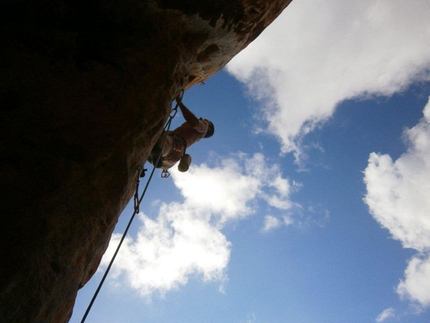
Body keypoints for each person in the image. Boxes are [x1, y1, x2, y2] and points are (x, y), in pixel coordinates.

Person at [148, 101, 214, 173]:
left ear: (209, 127)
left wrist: (180, 103)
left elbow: (193, 121)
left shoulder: (205, 127)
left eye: (206, 120)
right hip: (170, 160)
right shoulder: (193, 135)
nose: (201, 118)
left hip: (173, 145)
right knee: (156, 141)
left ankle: (156, 151)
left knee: (161, 142)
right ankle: (155, 155)